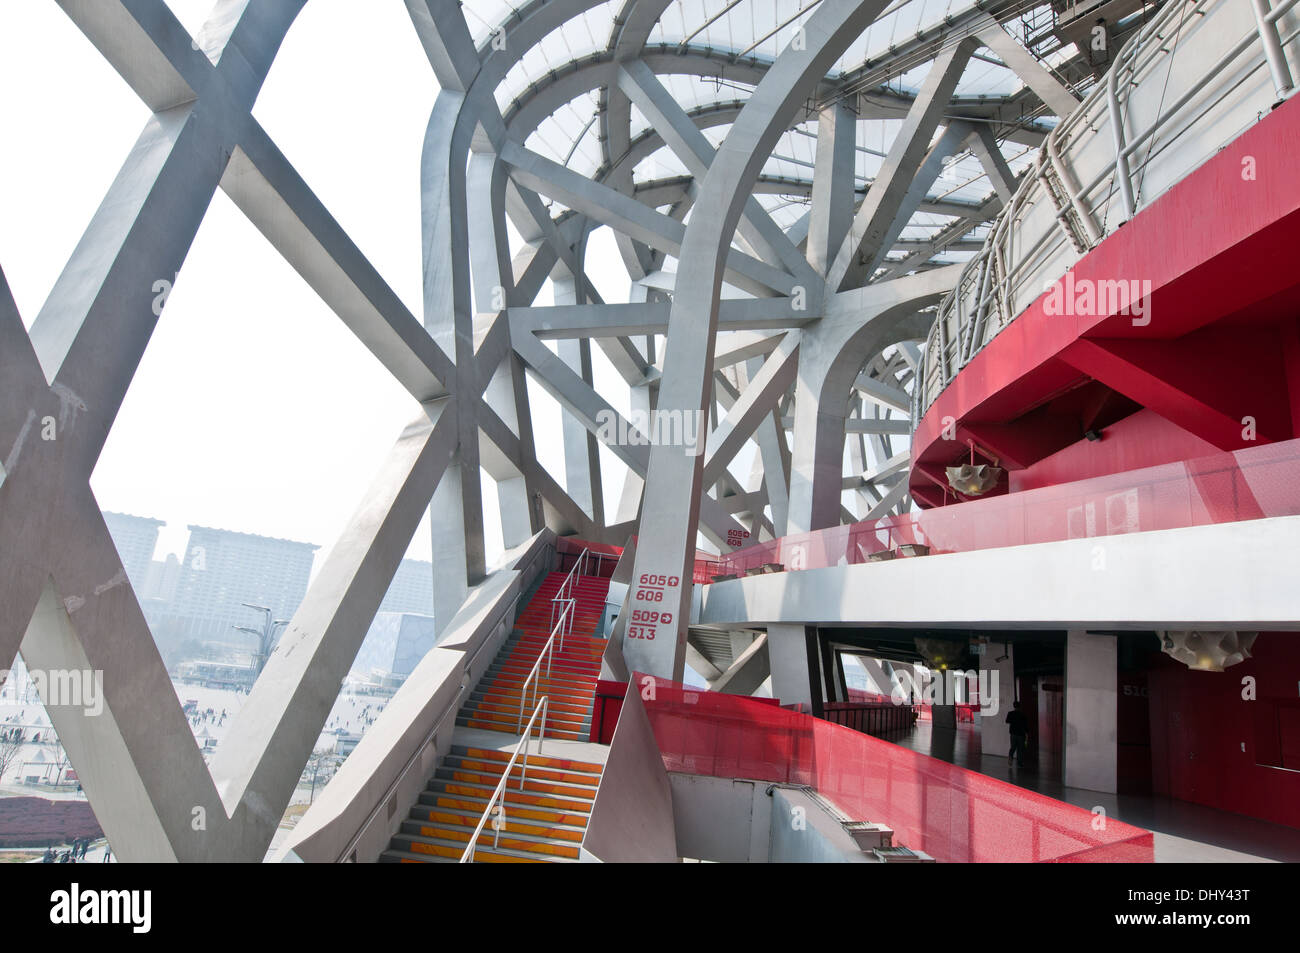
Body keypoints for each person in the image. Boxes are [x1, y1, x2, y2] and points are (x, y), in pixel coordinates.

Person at [1006, 701, 1029, 767]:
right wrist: (1027, 733)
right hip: (1021, 734)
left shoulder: (1010, 713)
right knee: (1020, 749)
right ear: (1020, 706)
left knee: (1013, 747)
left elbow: (1007, 721)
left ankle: (1010, 759)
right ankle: (1020, 762)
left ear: (1014, 706)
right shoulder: (1023, 714)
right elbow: (1025, 725)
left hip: (1013, 733)